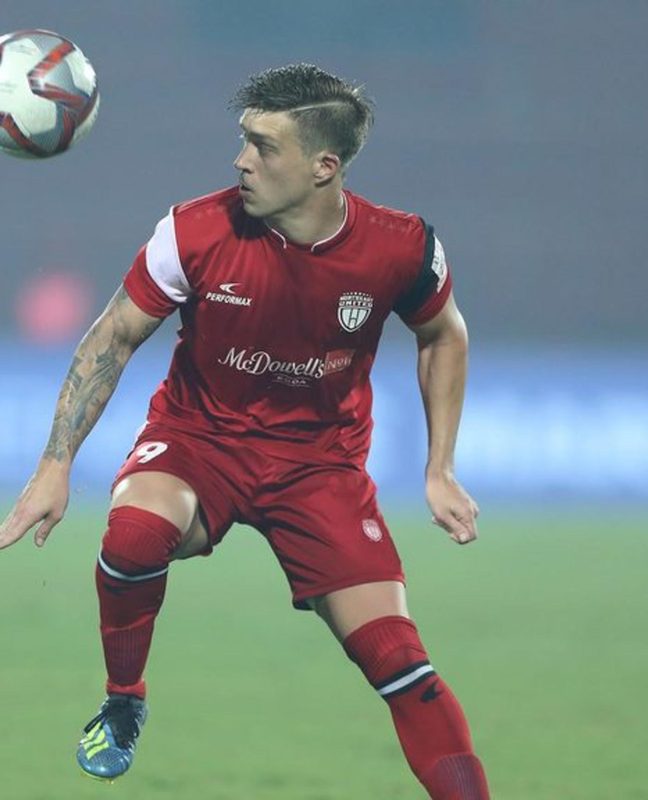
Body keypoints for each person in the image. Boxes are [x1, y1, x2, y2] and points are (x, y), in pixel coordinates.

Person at [0, 63, 490, 799]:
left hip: (321, 466)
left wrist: (439, 467)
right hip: (199, 442)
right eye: (243, 140)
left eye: (263, 146)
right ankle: (124, 699)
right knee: (132, 536)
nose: (241, 161)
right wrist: (55, 463)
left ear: (324, 166)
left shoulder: (402, 247)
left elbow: (443, 333)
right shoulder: (194, 230)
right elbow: (113, 337)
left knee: (399, 661)